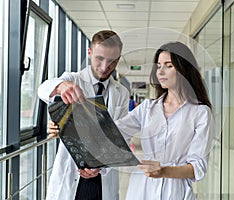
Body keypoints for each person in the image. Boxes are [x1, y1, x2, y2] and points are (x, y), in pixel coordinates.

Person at [48, 41, 215, 199]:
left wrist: (164, 171)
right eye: (158, 66)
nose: (161, 72)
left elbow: (198, 167)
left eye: (168, 66)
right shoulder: (148, 108)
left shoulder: (200, 113)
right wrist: (66, 126)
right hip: (141, 188)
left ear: (185, 70)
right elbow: (111, 134)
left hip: (175, 190)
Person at [38, 30, 129, 200]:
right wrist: (61, 86)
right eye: (99, 59)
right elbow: (42, 89)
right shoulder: (73, 79)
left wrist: (100, 167)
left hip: (102, 178)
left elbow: (123, 136)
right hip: (72, 174)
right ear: (89, 53)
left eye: (111, 62)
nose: (104, 67)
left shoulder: (121, 93)